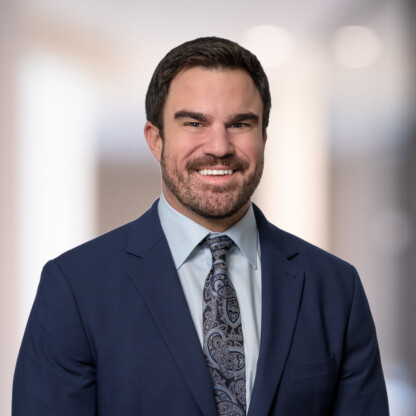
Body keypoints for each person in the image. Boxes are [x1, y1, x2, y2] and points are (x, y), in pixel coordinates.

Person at [13, 37, 389, 415]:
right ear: (156, 140)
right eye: (194, 122)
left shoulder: (337, 288)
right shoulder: (75, 288)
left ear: (263, 138)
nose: (220, 147)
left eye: (240, 123)